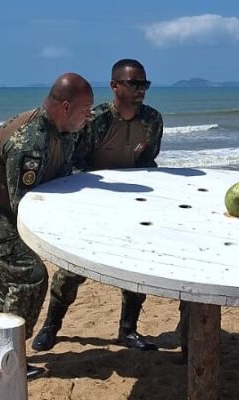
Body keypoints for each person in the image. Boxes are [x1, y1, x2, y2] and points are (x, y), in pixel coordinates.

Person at [0, 73, 93, 379]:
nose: (89, 116)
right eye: (85, 110)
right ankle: (7, 354)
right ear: (65, 107)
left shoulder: (64, 130)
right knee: (28, 276)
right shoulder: (29, 142)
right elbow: (23, 207)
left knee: (15, 278)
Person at [32, 59, 163, 352]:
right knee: (72, 269)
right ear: (115, 86)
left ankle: (128, 330)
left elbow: (148, 163)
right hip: (94, 205)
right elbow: (74, 162)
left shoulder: (153, 120)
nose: (141, 90)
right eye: (134, 83)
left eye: (144, 84)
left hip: (134, 203)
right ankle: (51, 327)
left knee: (134, 268)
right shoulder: (97, 120)